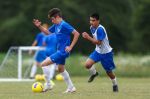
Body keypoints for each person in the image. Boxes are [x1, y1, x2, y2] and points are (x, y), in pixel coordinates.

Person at [33, 8, 80, 93]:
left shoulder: (64, 25)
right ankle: (71, 87)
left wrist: (70, 47)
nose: (52, 21)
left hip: (63, 51)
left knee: (43, 64)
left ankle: (48, 84)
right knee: (61, 69)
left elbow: (76, 33)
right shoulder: (56, 25)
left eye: (52, 19)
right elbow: (47, 32)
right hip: (60, 50)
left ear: (57, 17)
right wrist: (39, 26)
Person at [82, 13, 118, 92]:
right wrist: (90, 38)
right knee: (87, 65)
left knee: (109, 72)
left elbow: (99, 42)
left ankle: (115, 84)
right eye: (90, 20)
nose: (91, 22)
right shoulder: (91, 27)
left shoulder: (100, 29)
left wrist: (88, 37)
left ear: (98, 21)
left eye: (93, 20)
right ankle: (94, 73)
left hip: (106, 54)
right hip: (98, 52)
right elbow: (95, 42)